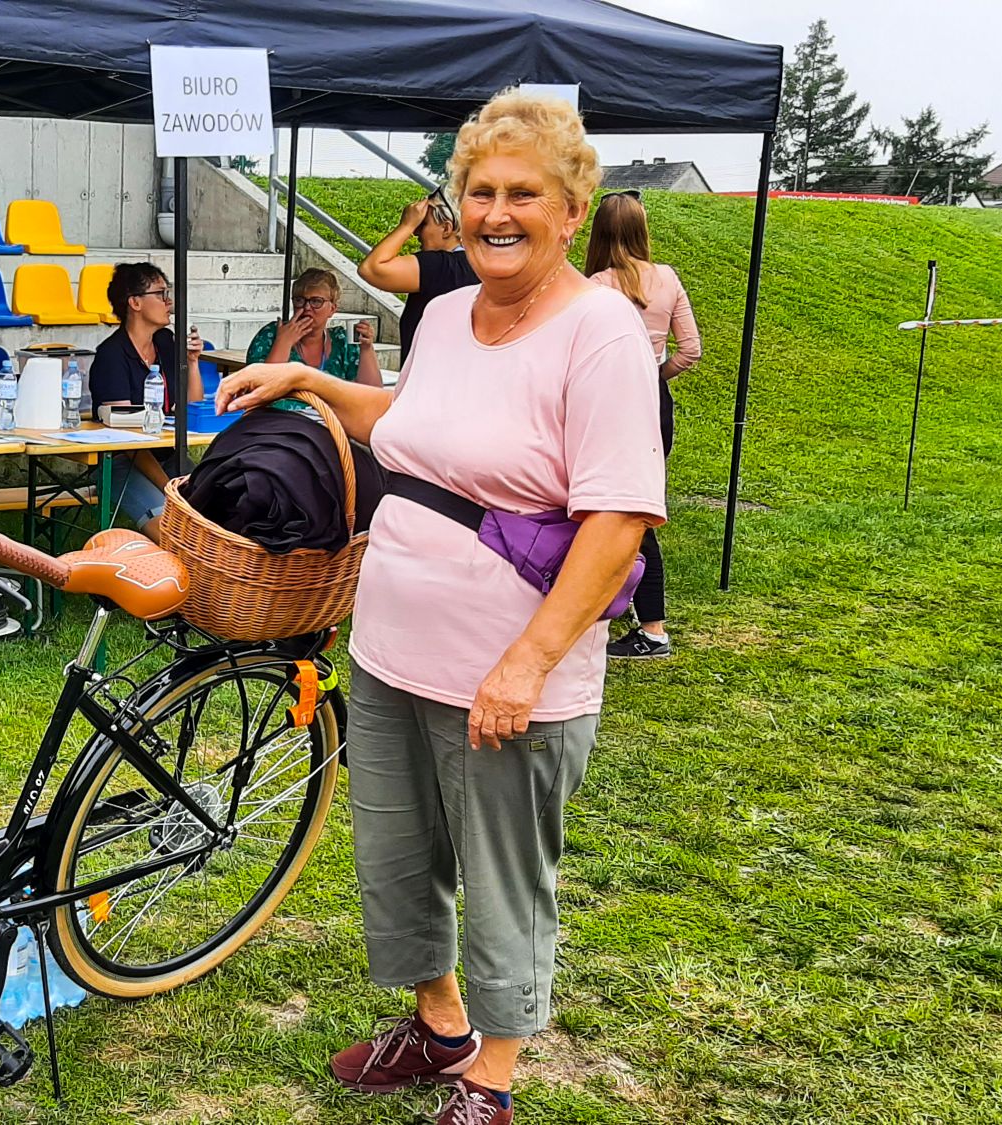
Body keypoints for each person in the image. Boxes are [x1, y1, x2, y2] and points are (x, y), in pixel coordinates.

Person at [216, 89, 664, 1125]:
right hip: (389, 650)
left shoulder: (598, 333)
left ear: (568, 210)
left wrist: (524, 664)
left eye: (523, 194)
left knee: (504, 878)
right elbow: (413, 425)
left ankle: (490, 1079)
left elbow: (616, 523)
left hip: (506, 669)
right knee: (395, 854)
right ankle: (437, 1023)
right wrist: (307, 379)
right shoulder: (451, 312)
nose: (496, 211)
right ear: (455, 205)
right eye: (479, 191)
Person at [584, 189, 700, 660]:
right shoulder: (667, 278)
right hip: (655, 402)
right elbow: (690, 349)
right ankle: (641, 621)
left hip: (611, 403)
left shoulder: (595, 286)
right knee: (639, 511)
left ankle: (647, 626)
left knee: (608, 512)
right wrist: (655, 375)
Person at [85, 261, 202, 528]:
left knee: (216, 511)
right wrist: (169, 489)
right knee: (169, 525)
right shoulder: (111, 356)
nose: (168, 301)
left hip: (167, 457)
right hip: (120, 463)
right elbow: (129, 442)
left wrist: (192, 362)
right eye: (160, 294)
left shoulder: (165, 342)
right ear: (135, 302)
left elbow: (192, 406)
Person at [357, 187, 480, 358]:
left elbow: (371, 269)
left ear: (447, 228)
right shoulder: (483, 266)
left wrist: (406, 225)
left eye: (422, 224)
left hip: (430, 379)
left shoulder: (441, 266)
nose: (416, 232)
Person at [245, 268, 383, 386]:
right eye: (300, 300)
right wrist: (284, 343)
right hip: (281, 416)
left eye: (316, 301)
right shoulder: (271, 335)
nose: (306, 308)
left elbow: (372, 391)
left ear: (332, 309)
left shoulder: (342, 341)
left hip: (331, 416)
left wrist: (366, 348)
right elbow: (261, 388)